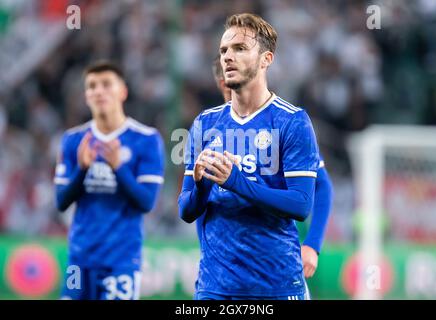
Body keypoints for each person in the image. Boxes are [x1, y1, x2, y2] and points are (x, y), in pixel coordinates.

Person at [179, 13, 325, 300]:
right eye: (223, 50)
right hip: (214, 286)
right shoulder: (205, 123)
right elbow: (186, 210)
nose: (227, 57)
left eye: (240, 49)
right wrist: (202, 185)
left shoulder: (292, 121)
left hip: (275, 285)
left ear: (266, 59)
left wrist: (236, 180)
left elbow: (300, 204)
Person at [209, 55, 334, 285]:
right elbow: (201, 203)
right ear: (222, 84)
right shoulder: (212, 129)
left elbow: (322, 185)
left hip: (281, 256)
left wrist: (312, 244)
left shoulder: (284, 123)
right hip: (226, 264)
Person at [54, 61, 165, 300]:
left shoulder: (146, 139)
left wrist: (119, 167)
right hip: (79, 259)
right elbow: (61, 201)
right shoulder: (73, 140)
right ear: (86, 95)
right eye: (92, 86)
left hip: (121, 260)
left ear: (122, 91)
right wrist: (82, 169)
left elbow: (146, 202)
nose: (99, 91)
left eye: (106, 84)